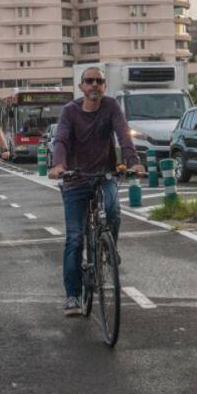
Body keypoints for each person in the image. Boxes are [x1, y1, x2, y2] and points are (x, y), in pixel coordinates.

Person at [49, 66, 143, 317]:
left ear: (104, 86)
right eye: (89, 81)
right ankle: (72, 295)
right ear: (81, 87)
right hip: (75, 179)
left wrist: (133, 161)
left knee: (113, 210)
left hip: (104, 175)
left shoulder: (111, 106)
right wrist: (59, 165)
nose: (94, 85)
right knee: (75, 238)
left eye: (99, 81)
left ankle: (106, 248)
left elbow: (124, 135)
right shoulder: (70, 111)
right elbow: (62, 140)